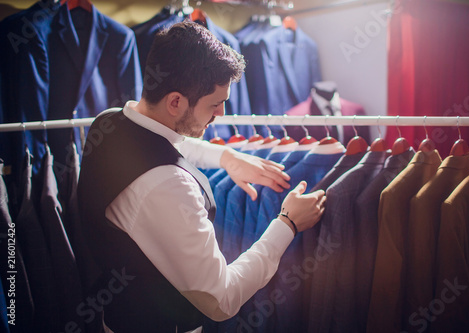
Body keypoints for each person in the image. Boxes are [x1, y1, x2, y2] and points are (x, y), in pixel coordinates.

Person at [77, 21, 326, 333]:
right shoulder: (169, 186)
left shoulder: (107, 123)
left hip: (115, 316)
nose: (221, 113)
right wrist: (287, 223)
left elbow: (162, 141)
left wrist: (226, 157)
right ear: (176, 102)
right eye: (214, 104)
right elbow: (221, 299)